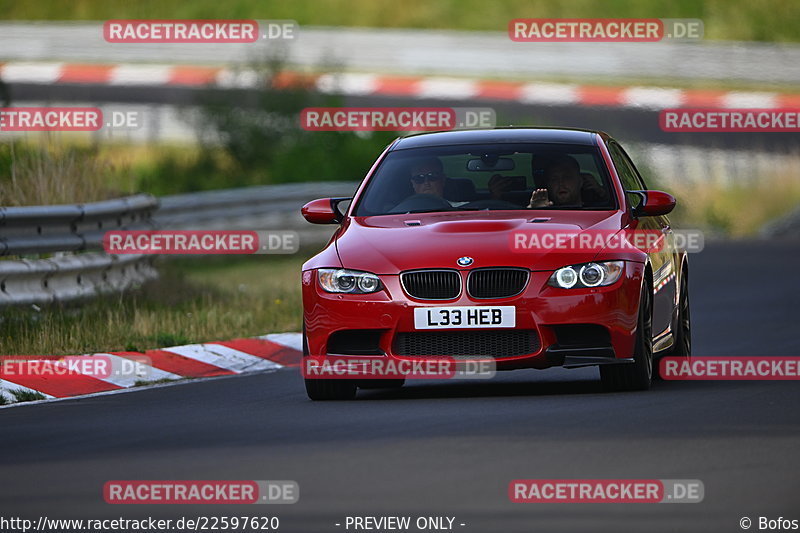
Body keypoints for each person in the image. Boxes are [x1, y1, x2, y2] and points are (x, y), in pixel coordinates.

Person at [527, 155, 608, 208]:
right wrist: (534, 210)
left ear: (581, 181)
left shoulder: (602, 210)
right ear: (548, 185)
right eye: (554, 179)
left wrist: (603, 194)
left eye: (567, 177)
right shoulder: (540, 211)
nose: (561, 183)